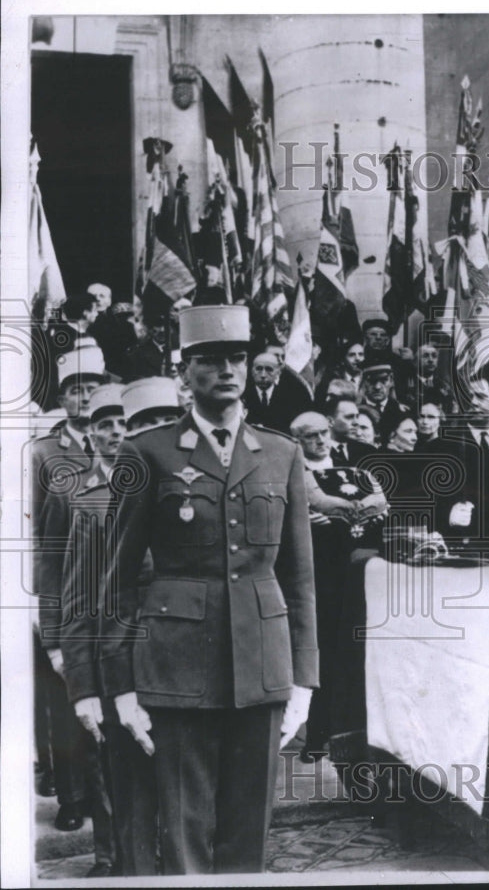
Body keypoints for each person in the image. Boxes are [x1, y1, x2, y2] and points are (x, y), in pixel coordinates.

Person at [99, 304, 319, 874]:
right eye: (210, 360)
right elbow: (117, 581)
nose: (227, 370)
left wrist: (304, 678)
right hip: (176, 667)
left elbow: (298, 578)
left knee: (249, 830)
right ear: (184, 371)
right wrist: (122, 688)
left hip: (262, 665)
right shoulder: (146, 452)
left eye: (237, 359)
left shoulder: (281, 451)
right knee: (183, 830)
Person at [62, 383, 178, 876]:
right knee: (132, 802)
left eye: (165, 422)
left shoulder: (199, 491)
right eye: (143, 425)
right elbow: (78, 601)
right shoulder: (93, 504)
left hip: (187, 669)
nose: (155, 434)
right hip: (123, 666)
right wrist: (84, 687)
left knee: (188, 806)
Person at [32, 346, 117, 871]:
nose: (83, 396)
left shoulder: (129, 445)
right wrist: (53, 625)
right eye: (74, 389)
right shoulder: (44, 454)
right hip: (69, 592)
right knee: (68, 707)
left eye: (92, 387)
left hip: (122, 605)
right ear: (61, 397)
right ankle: (72, 797)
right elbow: (45, 543)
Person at [290, 411, 386, 764]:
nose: (319, 440)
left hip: (357, 571)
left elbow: (379, 503)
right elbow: (309, 511)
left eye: (322, 433)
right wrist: (328, 515)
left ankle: (358, 738)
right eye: (309, 436)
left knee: (359, 651)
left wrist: (341, 514)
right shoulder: (296, 474)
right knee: (326, 654)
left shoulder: (354, 470)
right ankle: (317, 737)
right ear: (297, 440)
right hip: (320, 575)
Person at [428, 376, 489, 543]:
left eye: (480, 396)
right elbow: (423, 500)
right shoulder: (441, 447)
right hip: (461, 546)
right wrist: (446, 515)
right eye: (467, 396)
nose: (472, 402)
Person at [242, 351, 312, 434]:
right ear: (252, 371)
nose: (263, 375)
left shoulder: (290, 396)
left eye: (269, 369)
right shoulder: (242, 393)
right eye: (259, 369)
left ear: (278, 373)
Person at [358, 360, 411, 446]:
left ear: (391, 381)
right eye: (372, 381)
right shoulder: (356, 413)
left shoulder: (403, 412)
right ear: (364, 383)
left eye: (383, 380)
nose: (377, 387)